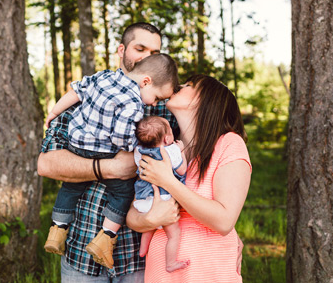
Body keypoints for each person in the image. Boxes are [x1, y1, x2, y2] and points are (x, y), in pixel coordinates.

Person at [37, 22, 181, 282]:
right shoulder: (90, 94)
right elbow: (46, 165)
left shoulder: (164, 111)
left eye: (155, 52)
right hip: (81, 251)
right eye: (140, 48)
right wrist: (110, 168)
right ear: (122, 49)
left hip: (139, 254)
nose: (147, 57)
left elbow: (197, 163)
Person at [130, 74, 251, 282]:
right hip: (161, 272)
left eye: (189, 85)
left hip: (206, 272)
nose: (179, 86)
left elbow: (223, 221)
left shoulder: (229, 144)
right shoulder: (163, 147)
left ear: (206, 101)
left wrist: (168, 181)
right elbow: (134, 212)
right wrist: (149, 219)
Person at [131, 116, 188, 272]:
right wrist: (182, 151)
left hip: (144, 199)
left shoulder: (138, 151)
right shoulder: (171, 150)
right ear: (167, 138)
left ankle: (142, 250)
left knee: (149, 226)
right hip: (163, 199)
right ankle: (170, 263)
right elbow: (182, 170)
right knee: (174, 234)